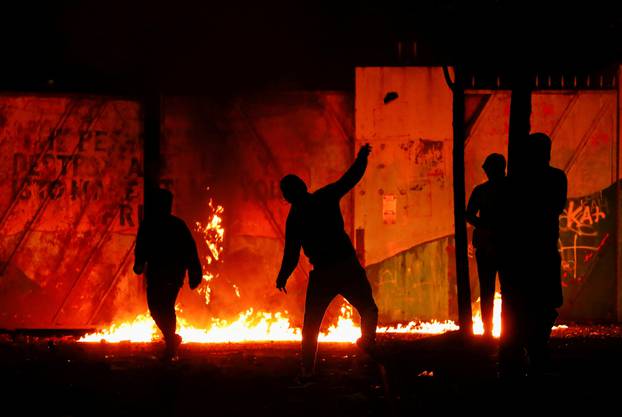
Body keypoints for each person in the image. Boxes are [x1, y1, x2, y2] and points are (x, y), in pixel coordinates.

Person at [276, 144, 379, 380]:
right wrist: (362, 158)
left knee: (311, 326)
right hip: (346, 266)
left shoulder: (295, 218)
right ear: (303, 187)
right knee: (368, 308)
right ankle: (368, 342)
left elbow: (292, 253)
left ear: (287, 197)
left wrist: (282, 276)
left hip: (322, 272)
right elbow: (350, 179)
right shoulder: (325, 196)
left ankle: (307, 370)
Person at [498, 132, 567, 377]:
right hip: (543, 249)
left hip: (519, 253)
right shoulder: (556, 178)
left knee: (521, 304)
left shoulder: (514, 181)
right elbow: (556, 206)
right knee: (544, 304)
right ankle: (535, 349)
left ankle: (521, 351)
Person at [133, 188, 202, 360]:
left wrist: (195, 271)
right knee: (157, 308)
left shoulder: (174, 225)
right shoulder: (153, 225)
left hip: (170, 273)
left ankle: (171, 343)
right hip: (161, 274)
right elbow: (142, 246)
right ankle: (171, 339)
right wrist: (139, 263)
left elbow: (190, 250)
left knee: (163, 306)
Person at [466, 153, 507, 337]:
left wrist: (484, 225)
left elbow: (468, 214)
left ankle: (488, 329)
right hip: (507, 245)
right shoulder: (512, 189)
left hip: (486, 245)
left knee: (487, 289)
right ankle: (508, 329)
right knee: (509, 289)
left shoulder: (481, 191)